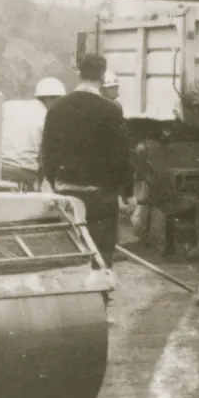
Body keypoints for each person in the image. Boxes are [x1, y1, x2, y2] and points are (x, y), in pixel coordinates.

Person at [40, 53, 133, 264]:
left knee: (71, 252)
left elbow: (48, 151)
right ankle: (100, 284)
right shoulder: (110, 110)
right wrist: (128, 192)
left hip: (67, 191)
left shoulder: (57, 108)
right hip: (101, 196)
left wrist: (54, 181)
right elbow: (121, 156)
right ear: (102, 76)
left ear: (79, 74)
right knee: (101, 255)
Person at [0, 77, 65, 190]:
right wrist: (39, 185)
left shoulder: (10, 106)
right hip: (21, 173)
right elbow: (45, 157)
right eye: (59, 100)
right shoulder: (48, 118)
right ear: (49, 99)